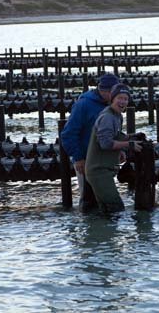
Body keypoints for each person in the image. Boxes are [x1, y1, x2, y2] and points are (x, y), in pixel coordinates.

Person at [61, 73, 120, 212]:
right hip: (85, 160)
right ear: (104, 90)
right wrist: (78, 158)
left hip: (105, 160)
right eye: (114, 93)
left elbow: (113, 132)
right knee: (88, 199)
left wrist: (119, 151)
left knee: (103, 197)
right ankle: (88, 228)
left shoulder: (113, 106)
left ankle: (102, 230)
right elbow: (68, 134)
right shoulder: (83, 105)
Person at [85, 83, 143, 214]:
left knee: (106, 212)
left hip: (104, 170)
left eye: (125, 99)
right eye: (120, 98)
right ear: (112, 99)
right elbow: (105, 144)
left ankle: (102, 233)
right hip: (98, 172)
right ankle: (110, 233)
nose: (123, 102)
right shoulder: (107, 117)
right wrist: (129, 145)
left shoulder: (117, 116)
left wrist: (127, 141)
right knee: (116, 209)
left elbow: (115, 136)